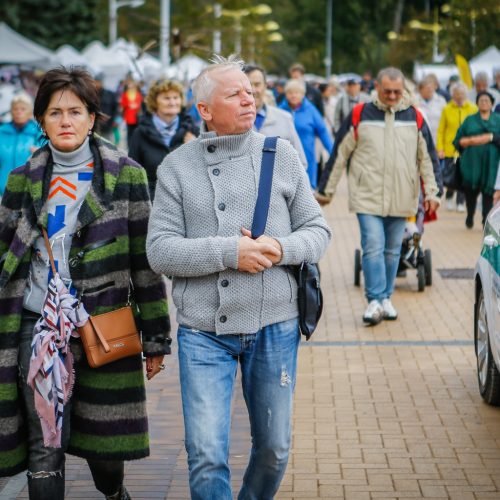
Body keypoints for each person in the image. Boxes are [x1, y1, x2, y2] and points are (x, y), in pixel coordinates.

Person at [146, 55, 331, 500]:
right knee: (206, 453)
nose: (249, 98)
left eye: (250, 90)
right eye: (235, 93)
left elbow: (318, 230)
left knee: (274, 448)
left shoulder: (280, 154)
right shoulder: (176, 166)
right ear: (205, 110)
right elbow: (160, 251)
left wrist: (280, 248)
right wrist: (231, 252)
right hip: (203, 332)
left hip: (275, 324)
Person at [0, 67, 171, 500]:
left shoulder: (126, 177)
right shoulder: (22, 181)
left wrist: (155, 339)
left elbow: (144, 265)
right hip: (37, 327)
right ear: (41, 121)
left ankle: (114, 492)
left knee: (105, 451)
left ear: (92, 118)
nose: (66, 121)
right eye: (55, 113)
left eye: (75, 111)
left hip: (103, 325)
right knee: (46, 443)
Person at [316, 67, 440, 325]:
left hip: (402, 195)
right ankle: (373, 300)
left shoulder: (415, 118)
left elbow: (428, 158)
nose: (393, 96)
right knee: (373, 245)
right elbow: (339, 153)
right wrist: (326, 191)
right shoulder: (361, 114)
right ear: (378, 89)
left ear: (403, 89)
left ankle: (386, 298)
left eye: (397, 91)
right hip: (367, 195)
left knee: (393, 250)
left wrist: (432, 192)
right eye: (387, 91)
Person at [128, 79, 199, 199]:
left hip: (186, 201)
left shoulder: (192, 131)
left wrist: (195, 147)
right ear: (154, 102)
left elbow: (203, 171)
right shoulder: (140, 133)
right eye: (166, 98)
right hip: (152, 203)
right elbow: (131, 174)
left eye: (176, 97)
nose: (172, 102)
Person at [243, 64, 307, 168]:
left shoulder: (284, 118)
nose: (253, 90)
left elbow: (301, 163)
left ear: (265, 86)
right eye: (249, 85)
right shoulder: (231, 122)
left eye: (257, 84)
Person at [453, 91, 500, 228]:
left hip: (492, 163)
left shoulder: (498, 120)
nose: (484, 102)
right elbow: (458, 140)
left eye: (487, 100)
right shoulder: (470, 120)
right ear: (477, 103)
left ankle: (486, 218)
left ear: (492, 104)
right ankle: (470, 214)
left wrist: (488, 138)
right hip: (471, 163)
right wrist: (470, 141)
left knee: (488, 192)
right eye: (481, 100)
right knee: (470, 191)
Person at [279, 79, 333, 189]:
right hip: (284, 161)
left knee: (307, 192)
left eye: (297, 92)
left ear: (303, 94)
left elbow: (323, 131)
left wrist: (333, 152)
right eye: (290, 93)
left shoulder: (311, 110)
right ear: (286, 94)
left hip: (307, 159)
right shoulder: (280, 110)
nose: (294, 95)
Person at [437, 82, 477, 211]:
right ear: (453, 94)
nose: (460, 96)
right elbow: (441, 130)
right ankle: (449, 197)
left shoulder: (472, 108)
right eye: (457, 93)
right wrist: (440, 148)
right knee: (452, 175)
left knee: (465, 176)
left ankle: (461, 202)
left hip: (468, 149)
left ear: (465, 94)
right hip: (450, 149)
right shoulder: (446, 109)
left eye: (462, 93)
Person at [0, 93, 43, 196]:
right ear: (11, 111)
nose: (19, 112)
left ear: (29, 112)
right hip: (3, 193)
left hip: (28, 194)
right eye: (15, 109)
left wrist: (41, 153)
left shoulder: (38, 133)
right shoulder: (2, 132)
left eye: (23, 109)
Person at [416, 75, 446, 145]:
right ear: (420, 90)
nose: (429, 90)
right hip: (420, 139)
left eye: (431, 87)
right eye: (427, 88)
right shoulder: (414, 101)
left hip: (436, 140)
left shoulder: (441, 100)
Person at [94, 73, 118, 142]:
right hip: (95, 126)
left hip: (107, 126)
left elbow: (115, 109)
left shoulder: (110, 94)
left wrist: (113, 120)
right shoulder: (91, 94)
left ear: (102, 82)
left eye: (98, 82)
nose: (97, 84)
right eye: (95, 82)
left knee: (108, 144)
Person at [120, 79, 143, 146]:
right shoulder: (125, 94)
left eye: (132, 86)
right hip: (128, 116)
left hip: (136, 116)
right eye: (130, 86)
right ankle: (129, 144)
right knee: (129, 132)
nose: (131, 87)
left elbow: (139, 103)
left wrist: (136, 106)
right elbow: (123, 103)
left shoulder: (138, 94)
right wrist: (129, 105)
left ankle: (135, 144)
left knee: (136, 131)